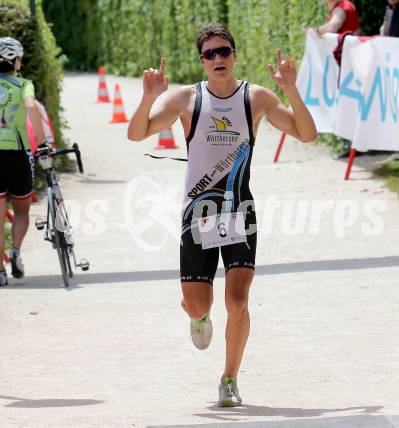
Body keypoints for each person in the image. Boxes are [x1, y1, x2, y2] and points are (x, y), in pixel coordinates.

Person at [128, 23, 317, 406]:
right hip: (197, 216)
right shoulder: (186, 99)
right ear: (201, 61)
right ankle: (198, 317)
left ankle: (229, 377)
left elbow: (306, 134)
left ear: (234, 55)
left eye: (224, 51)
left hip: (238, 211)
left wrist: (291, 89)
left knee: (238, 301)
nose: (218, 59)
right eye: (210, 54)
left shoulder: (256, 98)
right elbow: (137, 133)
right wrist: (148, 97)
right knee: (199, 304)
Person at [0, 37, 46, 286]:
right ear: (15, 61)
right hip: (17, 153)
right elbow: (31, 106)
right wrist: (41, 141)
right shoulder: (24, 84)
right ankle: (16, 251)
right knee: (21, 209)